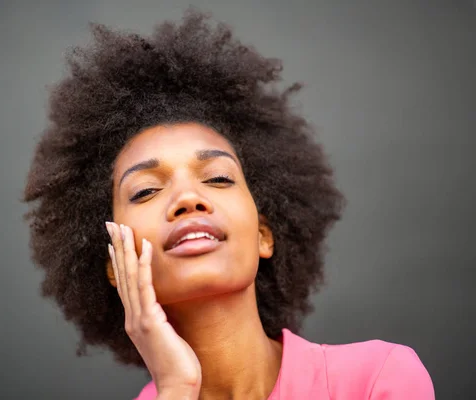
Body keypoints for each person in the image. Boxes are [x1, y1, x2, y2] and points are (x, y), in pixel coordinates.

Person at [23, 8, 435, 399]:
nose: (188, 199)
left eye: (218, 178)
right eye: (146, 190)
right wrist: (177, 389)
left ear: (262, 235)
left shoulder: (377, 380)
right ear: (115, 265)